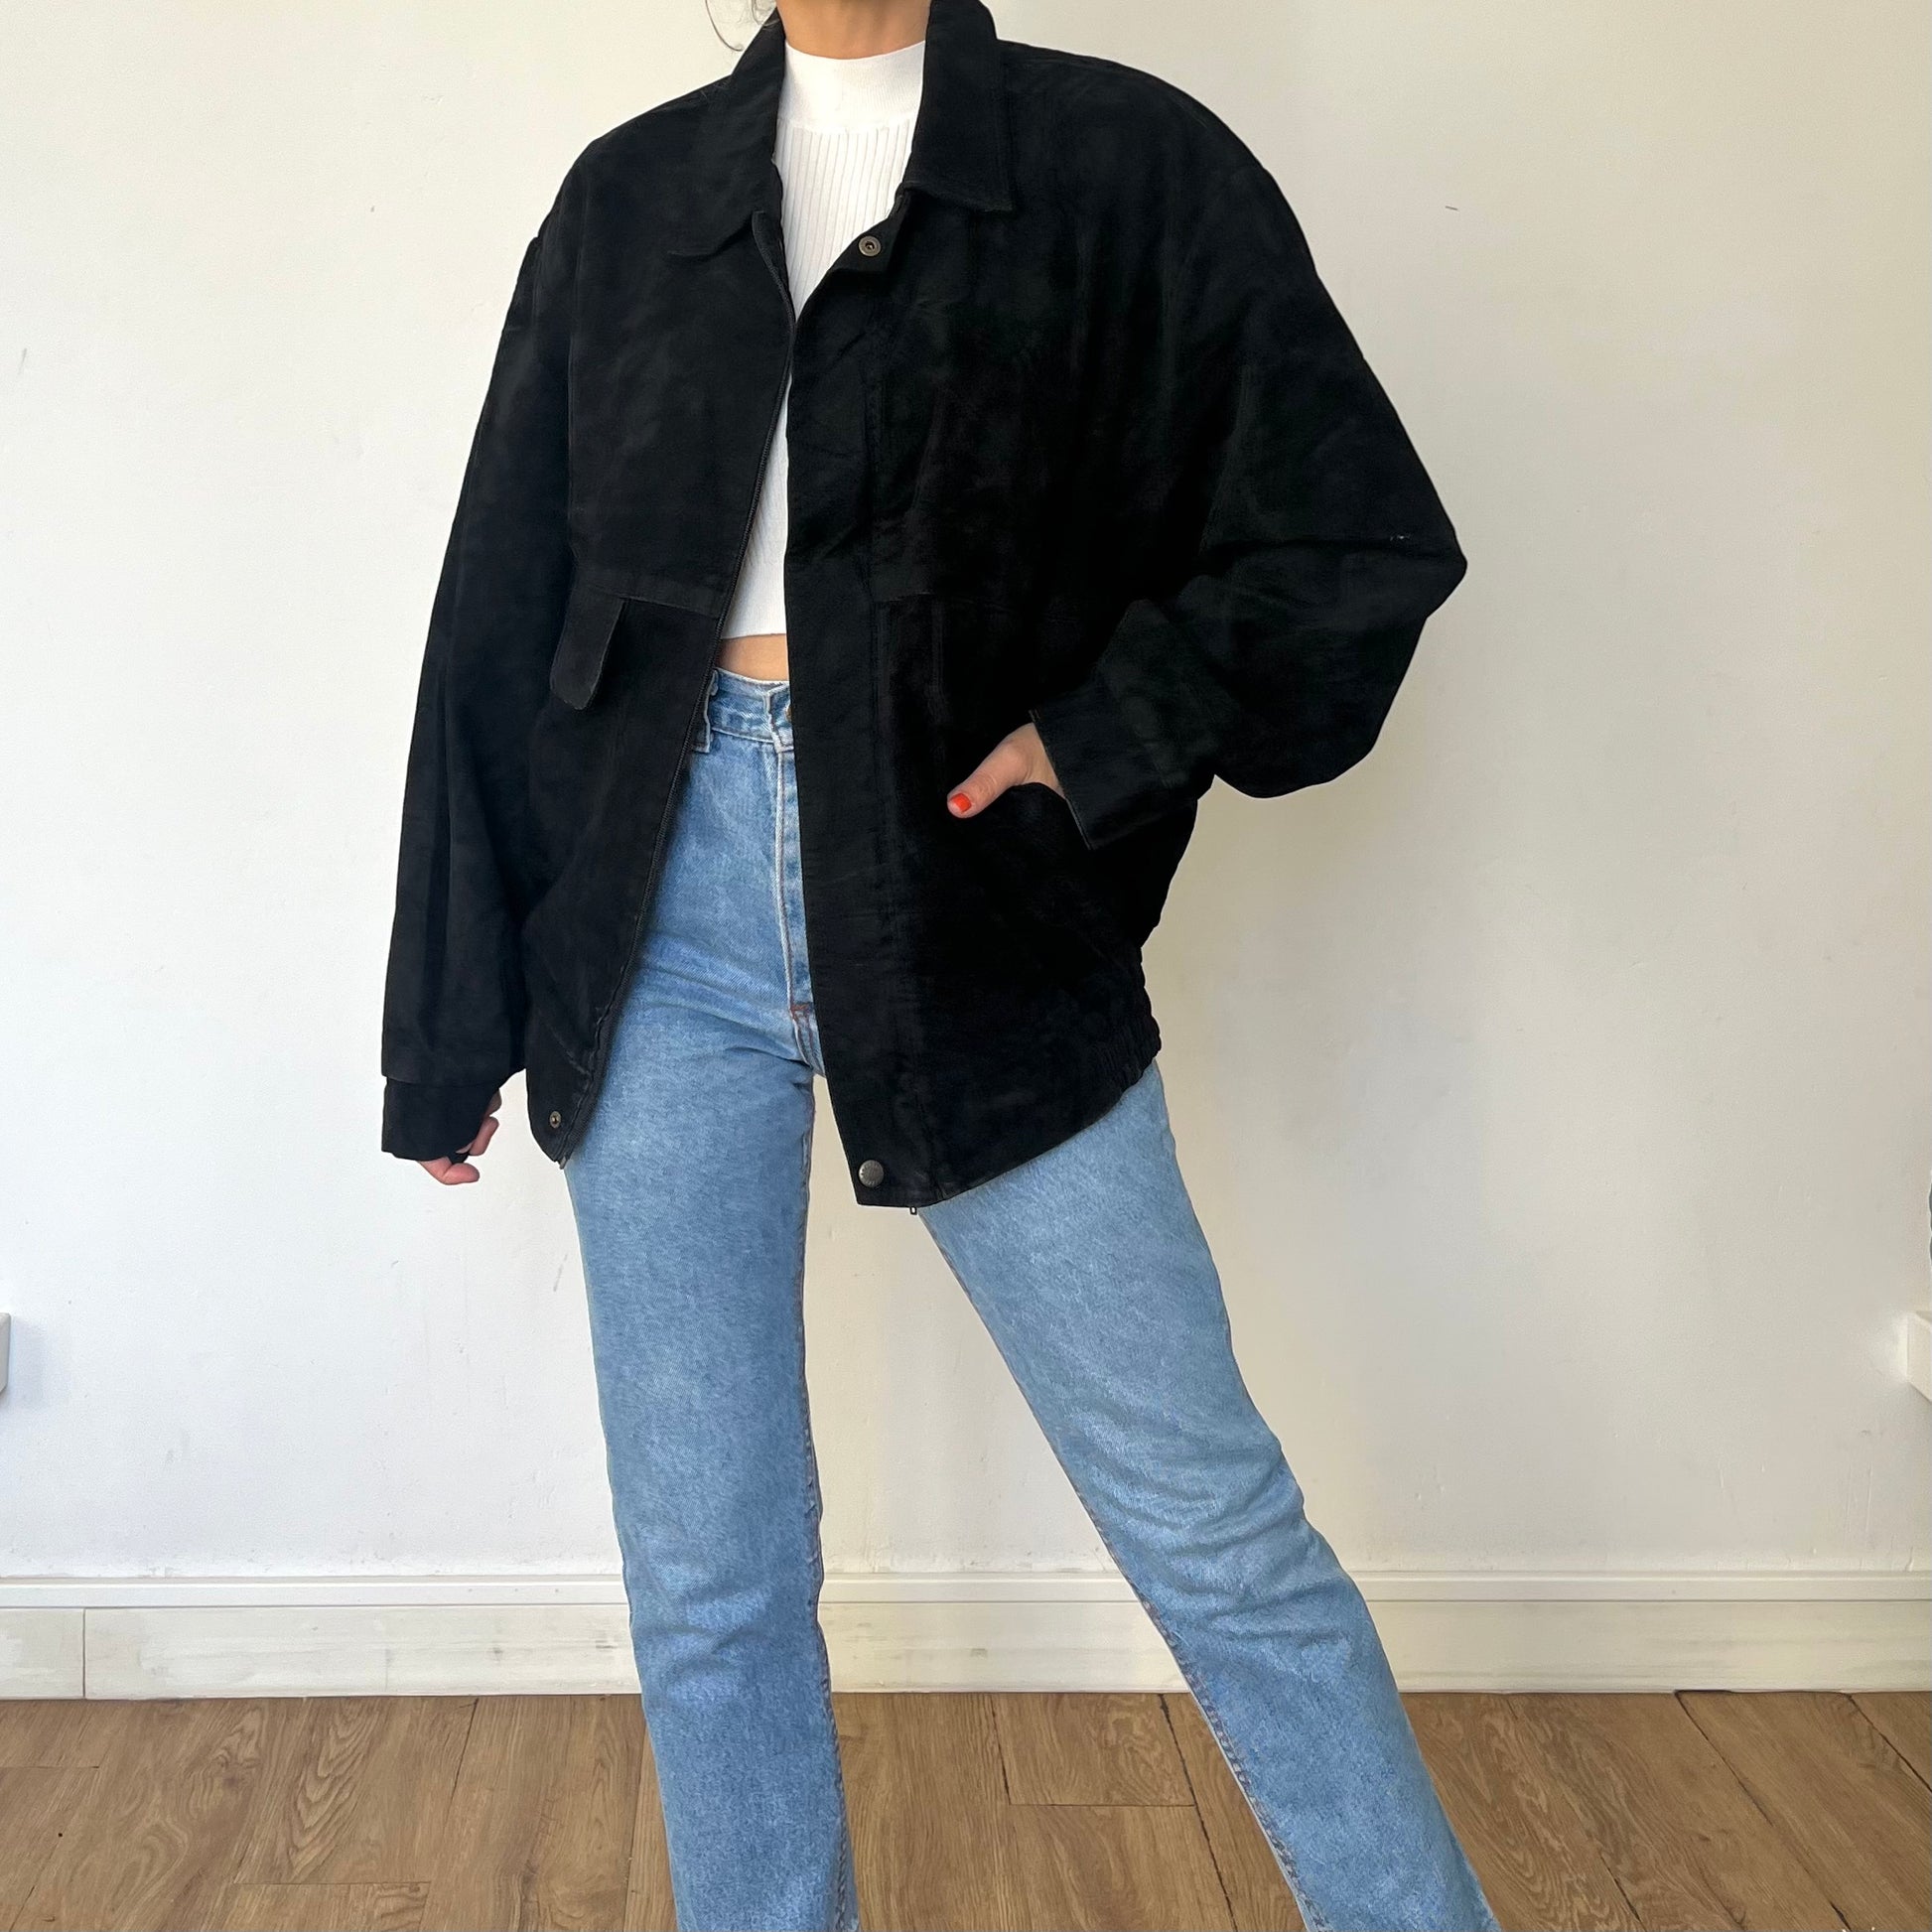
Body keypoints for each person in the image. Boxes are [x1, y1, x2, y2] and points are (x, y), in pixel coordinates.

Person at [379, 1, 1496, 1926]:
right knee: (710, 1571)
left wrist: (1102, 734)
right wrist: (448, 1025)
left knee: (1214, 1529)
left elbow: (1346, 537)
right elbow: (498, 613)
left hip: (966, 900)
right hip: (651, 919)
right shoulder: (631, 198)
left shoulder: (1123, 164)